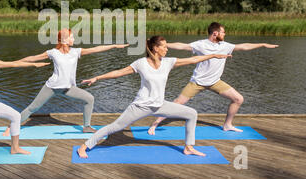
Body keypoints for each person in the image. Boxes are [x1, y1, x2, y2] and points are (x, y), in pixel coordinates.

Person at [76, 35, 232, 159]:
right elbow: (119, 72)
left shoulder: (168, 62)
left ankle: (189, 147)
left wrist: (213, 55)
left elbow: (192, 59)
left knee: (192, 113)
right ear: (156, 48)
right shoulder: (141, 63)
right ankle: (85, 146)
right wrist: (97, 78)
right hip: (141, 106)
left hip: (160, 105)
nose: (166, 49)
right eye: (163, 46)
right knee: (115, 127)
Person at [148, 22, 279, 135]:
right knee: (177, 103)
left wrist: (262, 44)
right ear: (215, 33)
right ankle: (155, 123)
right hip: (197, 82)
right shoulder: (201, 44)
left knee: (238, 99)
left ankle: (227, 125)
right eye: (223, 32)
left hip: (215, 82)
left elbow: (244, 46)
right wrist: (165, 45)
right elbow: (183, 46)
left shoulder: (225, 46)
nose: (225, 34)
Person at [2, 28, 129, 136]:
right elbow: (33, 58)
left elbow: (96, 49)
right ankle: (12, 127)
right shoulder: (53, 53)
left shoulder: (76, 52)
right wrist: (13, 63)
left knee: (89, 98)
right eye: (71, 37)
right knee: (33, 108)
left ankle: (86, 127)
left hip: (68, 88)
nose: (73, 39)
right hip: (51, 88)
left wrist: (114, 45)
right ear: (64, 40)